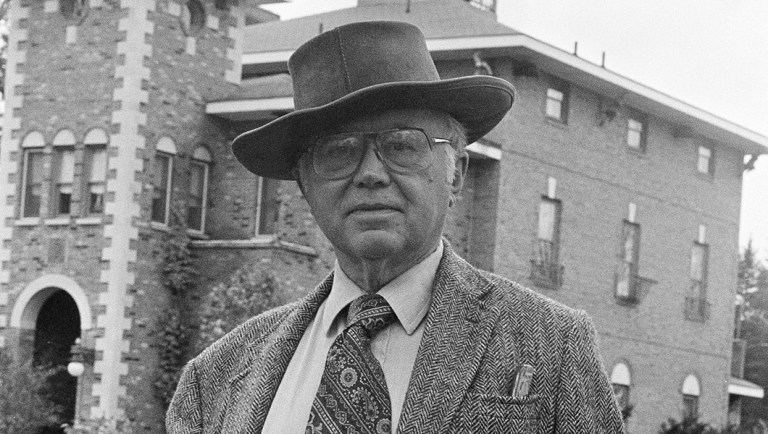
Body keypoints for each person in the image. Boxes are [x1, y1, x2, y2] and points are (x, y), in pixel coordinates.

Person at [167, 21, 625, 433]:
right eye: (338, 151)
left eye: (403, 145)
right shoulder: (216, 379)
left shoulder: (551, 346)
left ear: (457, 174)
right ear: (304, 185)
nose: (371, 173)